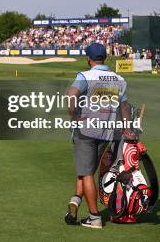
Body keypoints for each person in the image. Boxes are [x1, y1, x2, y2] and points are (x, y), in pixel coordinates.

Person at [64, 43, 133, 229]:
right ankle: (76, 200)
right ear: (105, 58)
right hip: (106, 132)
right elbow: (124, 106)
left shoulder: (86, 76)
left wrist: (74, 117)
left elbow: (71, 95)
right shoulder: (119, 79)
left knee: (86, 173)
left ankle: (94, 218)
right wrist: (127, 128)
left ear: (88, 59)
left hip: (86, 131)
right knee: (87, 170)